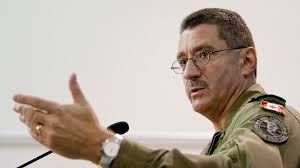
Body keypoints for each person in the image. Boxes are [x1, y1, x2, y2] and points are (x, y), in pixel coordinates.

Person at [13, 8, 300, 168]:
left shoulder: (266, 118)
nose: (189, 73)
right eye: (182, 61)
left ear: (247, 61)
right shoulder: (223, 137)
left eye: (204, 54)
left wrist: (101, 147)